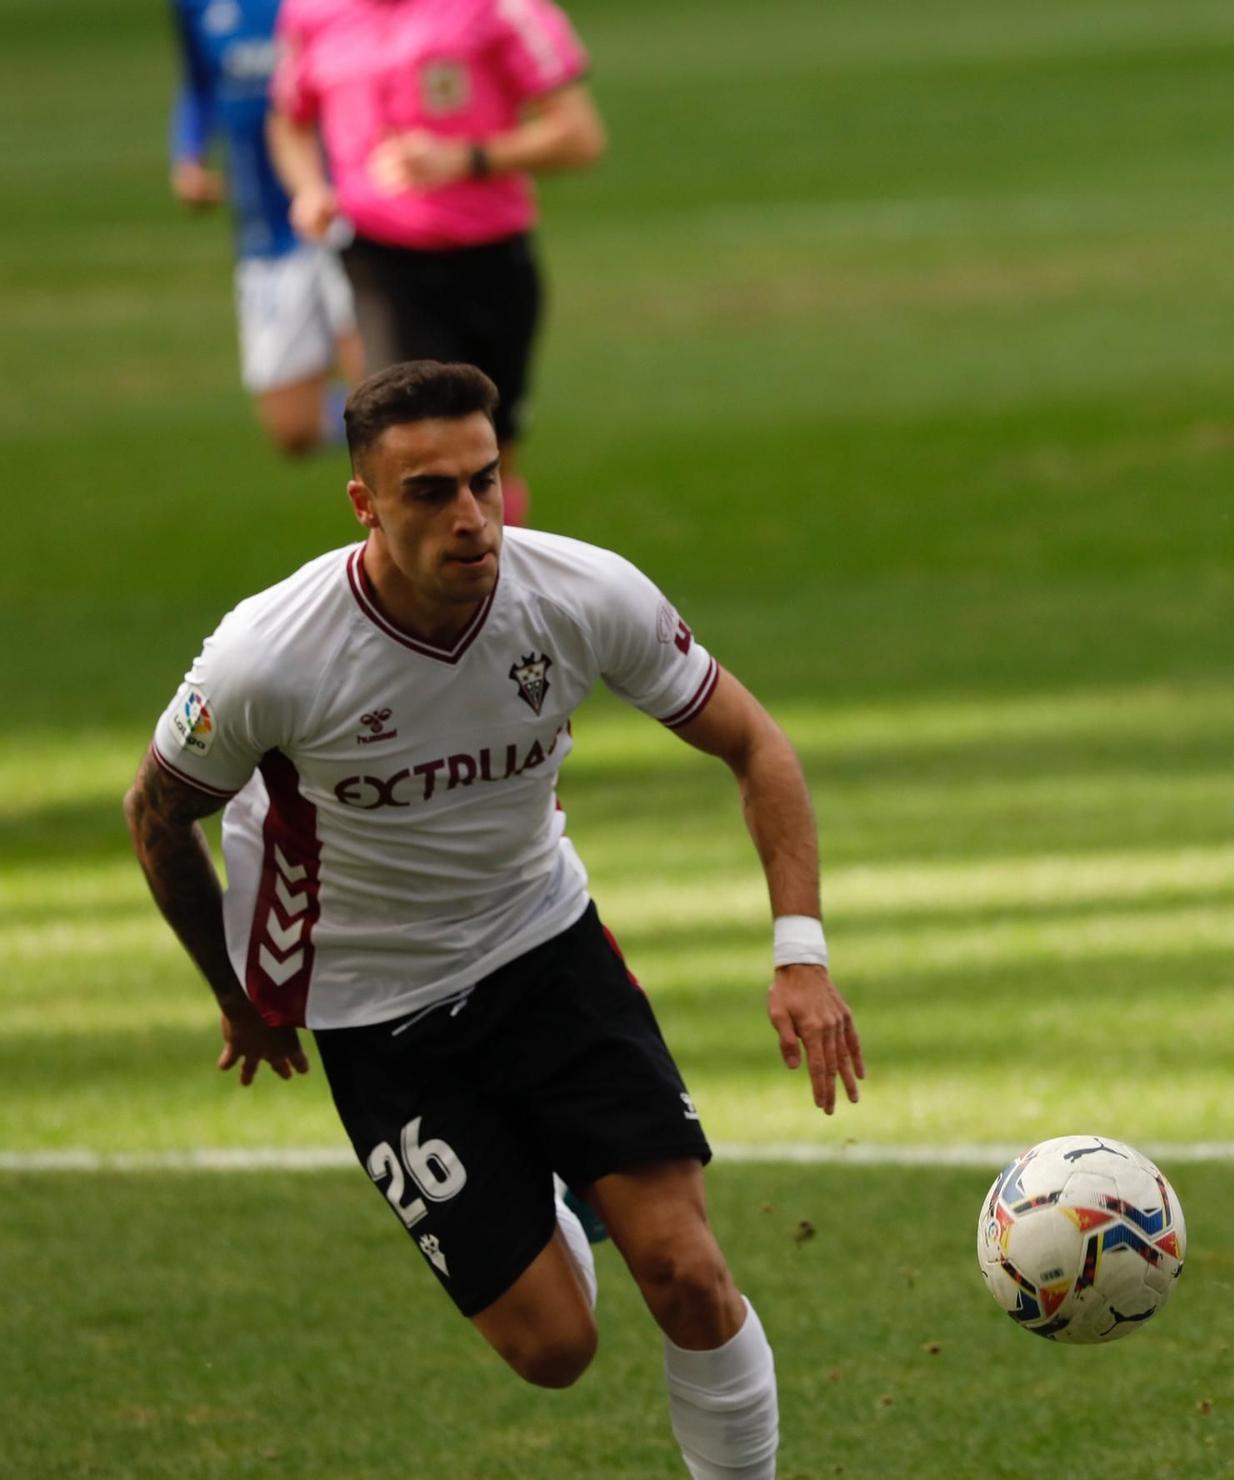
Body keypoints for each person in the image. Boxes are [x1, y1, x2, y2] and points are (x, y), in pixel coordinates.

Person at [124, 360, 863, 1479]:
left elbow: (755, 745)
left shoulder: (579, 594)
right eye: (429, 492)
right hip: (374, 1009)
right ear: (365, 503)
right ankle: (558, 1204)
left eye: (483, 481)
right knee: (554, 1349)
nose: (471, 519)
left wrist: (799, 953)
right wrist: (240, 993)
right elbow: (155, 812)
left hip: (545, 949)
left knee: (686, 1270)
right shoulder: (270, 656)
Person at [266, 0, 607, 525]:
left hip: (490, 258)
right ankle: (410, 599)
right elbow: (289, 121)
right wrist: (310, 189)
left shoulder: (503, 9)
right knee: (409, 448)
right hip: (381, 259)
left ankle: (496, 591)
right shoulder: (309, 12)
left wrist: (467, 159)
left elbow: (580, 137)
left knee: (489, 457)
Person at [167, 0, 362, 456]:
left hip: (345, 213)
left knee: (377, 390)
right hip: (266, 233)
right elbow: (199, 84)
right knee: (293, 428)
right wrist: (188, 154)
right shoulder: (196, 7)